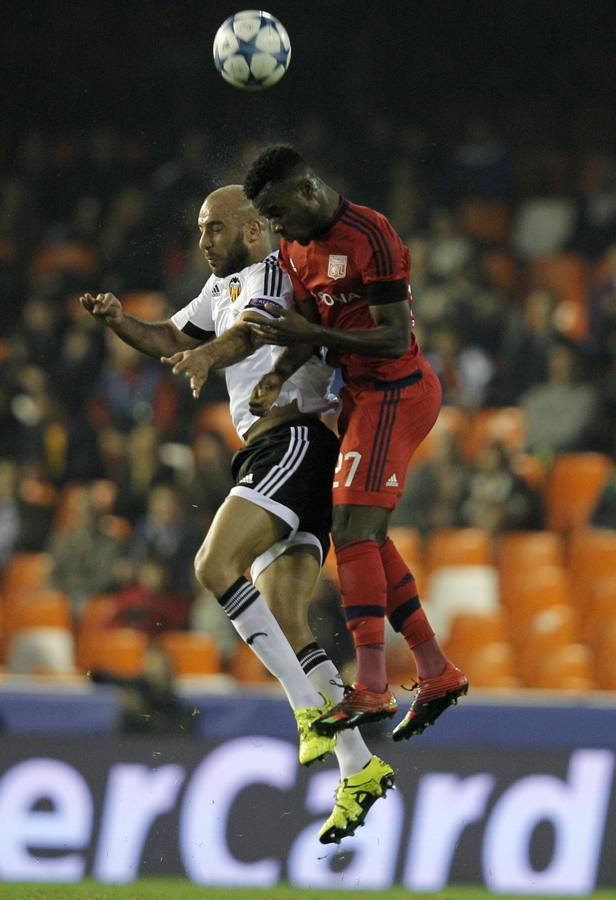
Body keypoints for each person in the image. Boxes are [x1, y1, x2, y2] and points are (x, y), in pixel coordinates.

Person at [80, 185, 393, 844]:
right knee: (286, 615)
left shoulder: (275, 274)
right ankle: (358, 765)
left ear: (252, 227)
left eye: (214, 229)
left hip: (295, 439)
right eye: (198, 230)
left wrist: (204, 356)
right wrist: (119, 323)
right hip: (276, 450)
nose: (203, 241)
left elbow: (248, 332)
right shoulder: (218, 287)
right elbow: (170, 333)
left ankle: (310, 712)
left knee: (213, 564)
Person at [242, 145, 468, 739]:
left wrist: (308, 333)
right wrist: (277, 372)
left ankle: (370, 685)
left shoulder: (373, 234)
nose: (276, 227)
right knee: (367, 537)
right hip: (362, 399)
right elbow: (315, 330)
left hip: (398, 391)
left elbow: (393, 339)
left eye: (278, 210)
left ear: (308, 190)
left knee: (351, 533)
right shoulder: (295, 250)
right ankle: (436, 671)